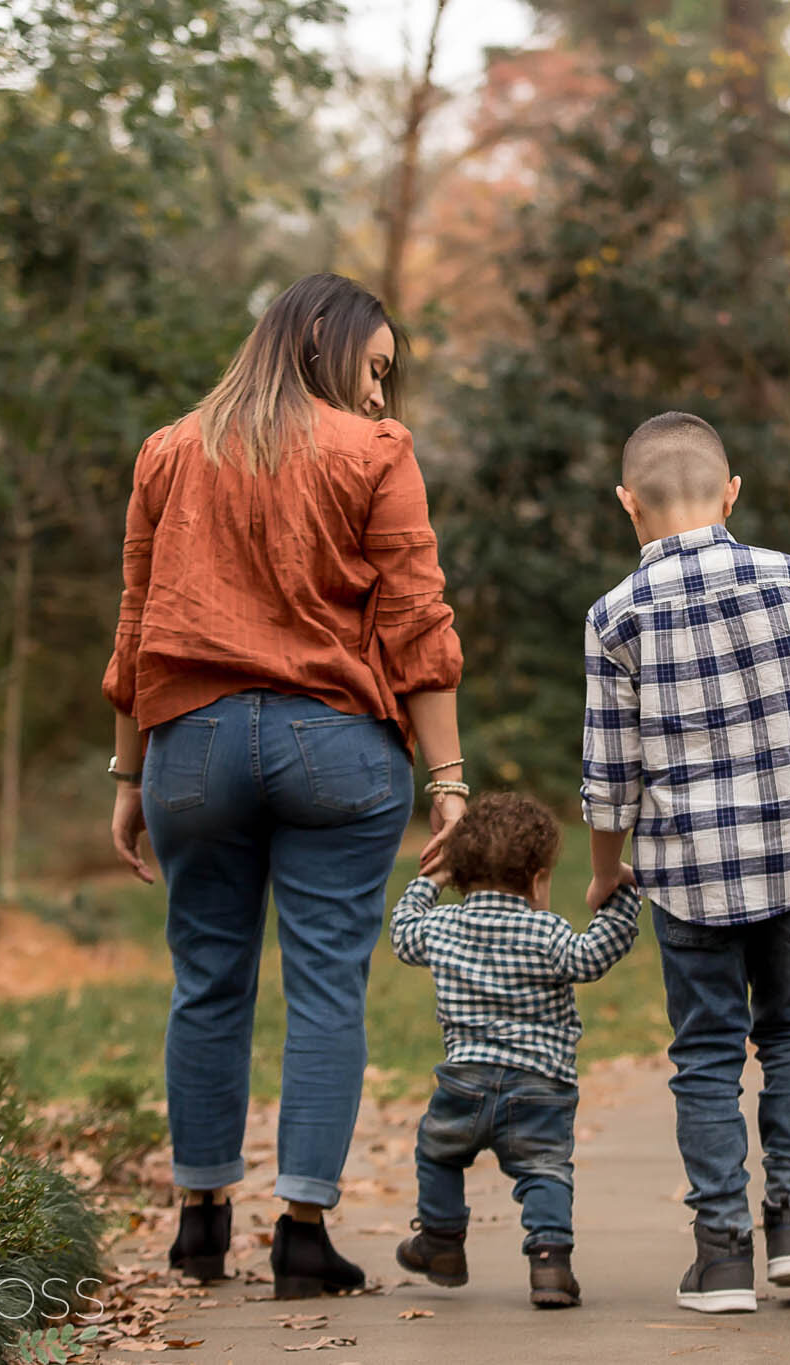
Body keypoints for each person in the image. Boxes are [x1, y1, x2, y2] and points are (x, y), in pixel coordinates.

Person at [101, 273, 469, 1300]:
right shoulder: (374, 456)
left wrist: (128, 775)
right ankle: (303, 1235)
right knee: (323, 990)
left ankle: (199, 1225)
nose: (383, 398)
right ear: (325, 343)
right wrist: (448, 777)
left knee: (206, 980)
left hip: (190, 748)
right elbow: (415, 620)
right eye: (376, 367)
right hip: (334, 746)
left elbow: (135, 625)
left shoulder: (170, 450)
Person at [581, 412, 790, 1314]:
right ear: (731, 493)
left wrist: (607, 868)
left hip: (685, 876)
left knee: (707, 1054)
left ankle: (721, 1254)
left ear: (627, 505)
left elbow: (610, 773)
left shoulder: (615, 617)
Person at [388, 792, 643, 1309]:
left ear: (458, 875)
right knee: (545, 1170)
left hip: (463, 1082)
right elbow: (592, 956)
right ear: (535, 880)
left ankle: (440, 1242)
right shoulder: (546, 932)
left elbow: (401, 933)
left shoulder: (440, 927)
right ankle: (550, 1265)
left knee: (438, 1153)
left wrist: (428, 883)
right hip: (540, 1087)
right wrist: (621, 900)